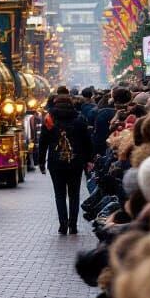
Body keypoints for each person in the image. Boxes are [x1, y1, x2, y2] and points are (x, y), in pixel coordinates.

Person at [37, 87, 93, 235]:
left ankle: (63, 224)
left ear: (55, 103)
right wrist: (89, 160)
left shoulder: (49, 119)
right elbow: (87, 141)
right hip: (76, 161)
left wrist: (41, 161)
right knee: (74, 194)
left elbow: (42, 142)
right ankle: (73, 225)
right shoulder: (80, 118)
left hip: (56, 162)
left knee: (60, 194)